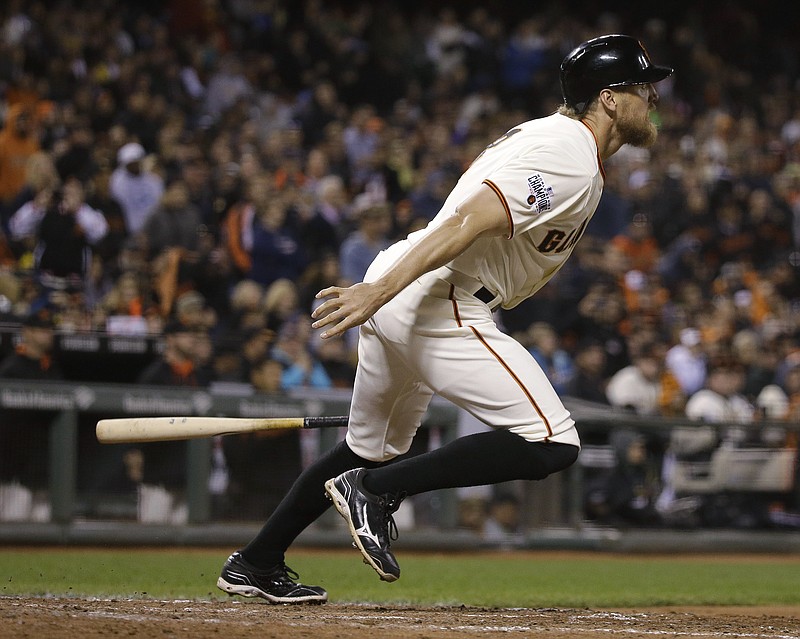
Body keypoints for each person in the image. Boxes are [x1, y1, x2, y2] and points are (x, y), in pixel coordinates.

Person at [216, 34, 673, 604]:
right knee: (552, 441)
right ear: (608, 98)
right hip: (438, 295)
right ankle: (376, 493)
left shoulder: (558, 142)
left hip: (415, 287)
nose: (652, 95)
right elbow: (468, 220)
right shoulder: (570, 157)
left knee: (367, 448)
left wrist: (385, 289)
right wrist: (378, 291)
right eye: (641, 85)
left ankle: (257, 561)